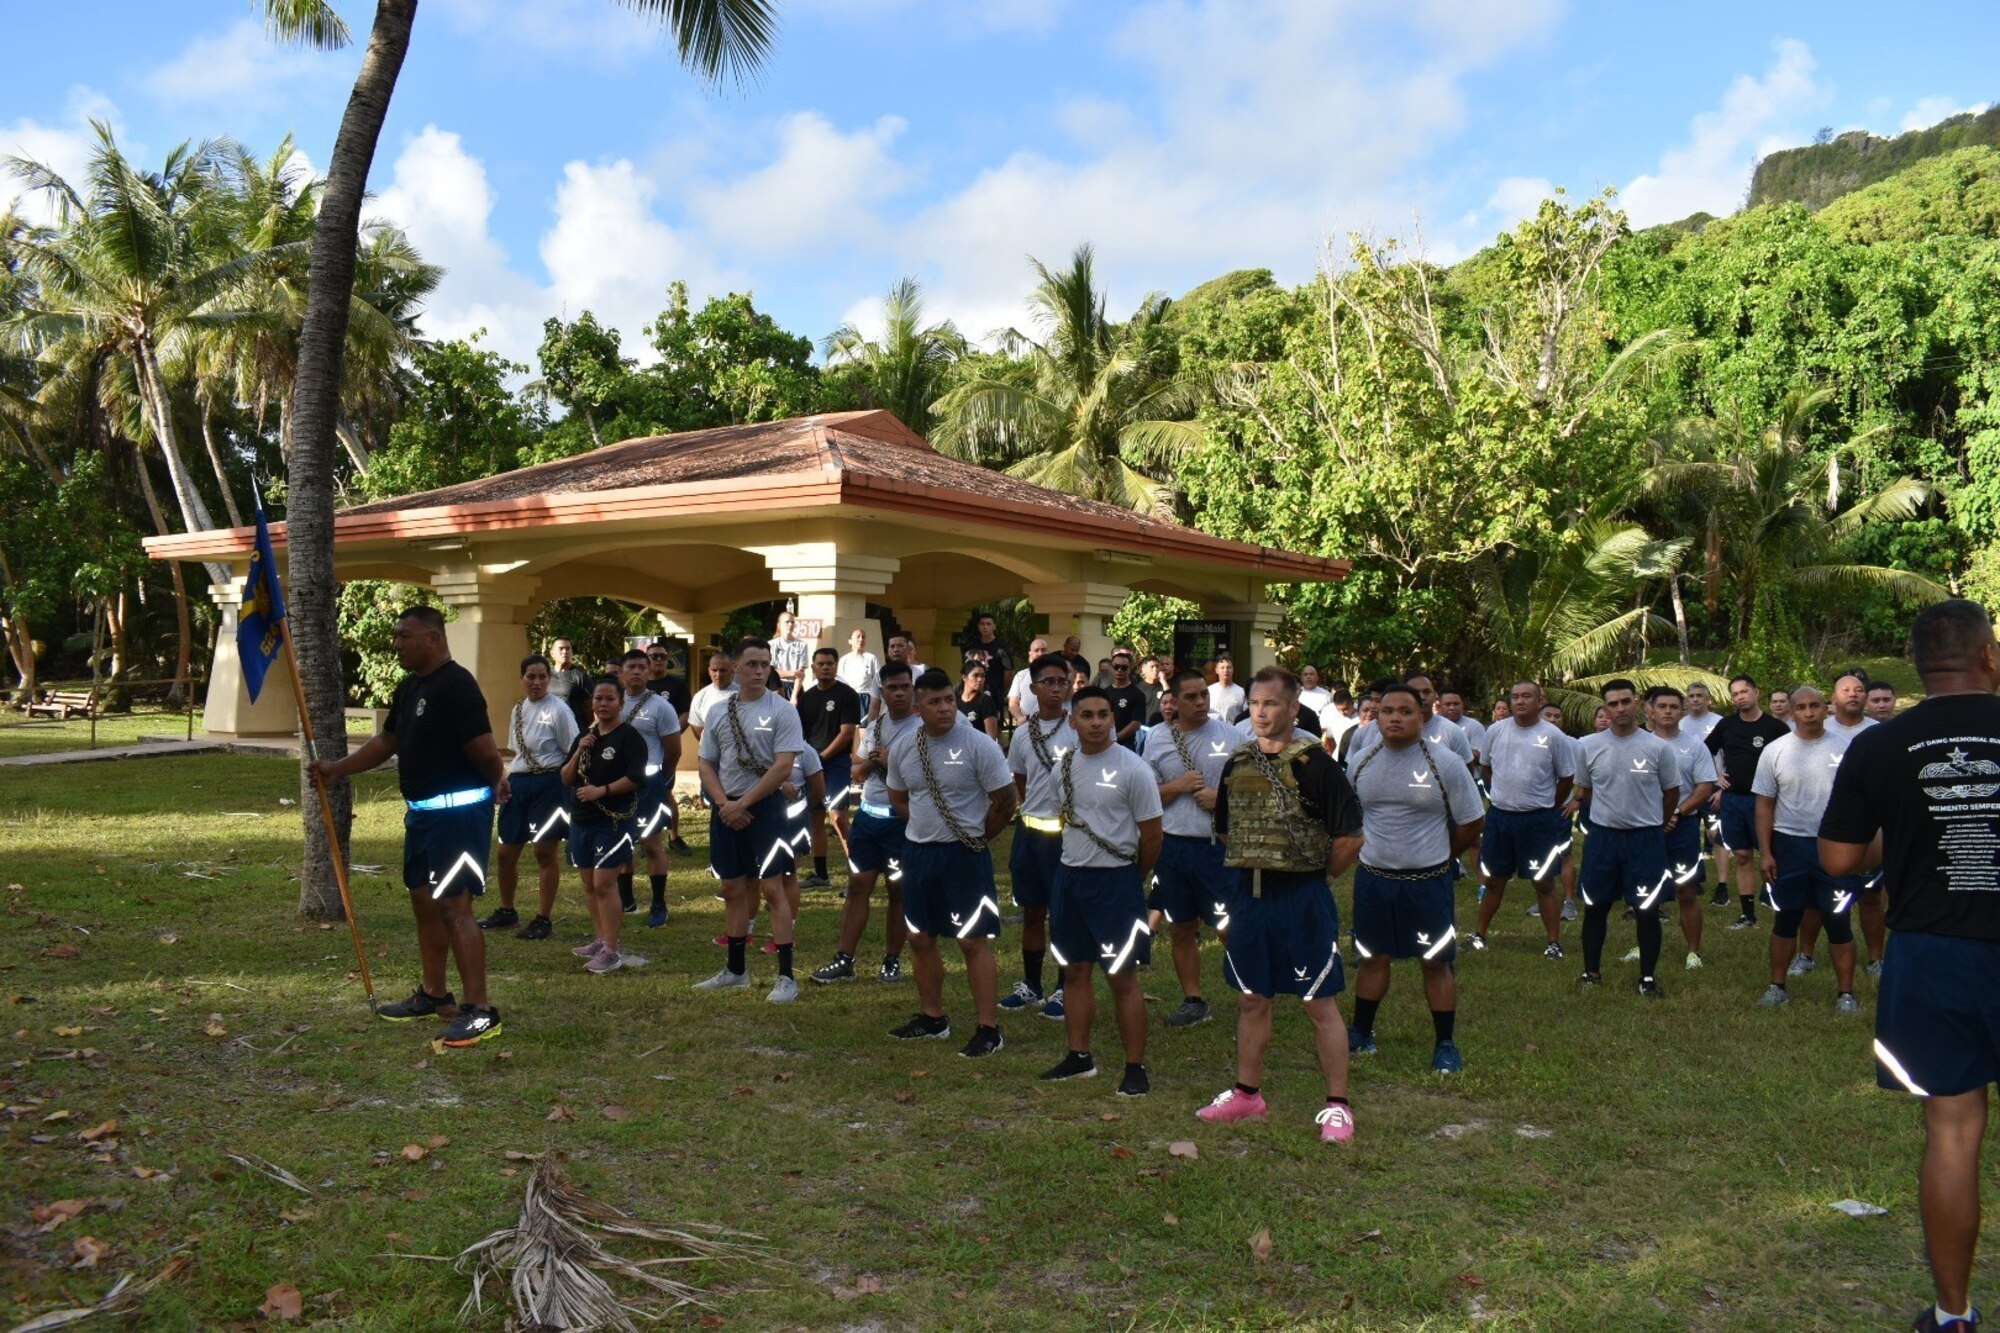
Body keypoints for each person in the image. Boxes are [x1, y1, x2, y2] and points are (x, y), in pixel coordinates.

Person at [1821, 600, 2000, 1333]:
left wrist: (1904, 835)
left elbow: (1837, 859)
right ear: (1989, 654)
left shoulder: (1881, 744)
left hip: (1934, 951)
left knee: (1953, 1131)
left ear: (1919, 667)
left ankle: (1953, 1315)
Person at [308, 607, 508, 1046]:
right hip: (422, 815)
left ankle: (480, 1010)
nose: (396, 643)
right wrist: (339, 769)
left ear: (433, 638)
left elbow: (483, 746)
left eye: (404, 636)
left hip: (458, 815)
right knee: (425, 903)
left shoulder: (457, 686)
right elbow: (388, 740)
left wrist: (498, 780)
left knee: (456, 908)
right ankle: (435, 995)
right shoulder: (410, 687)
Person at [1194, 666, 1365, 1144]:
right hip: (1249, 897)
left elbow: (1350, 837)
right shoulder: (1239, 760)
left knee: (1318, 1000)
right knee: (1252, 998)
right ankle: (1247, 1094)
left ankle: (1337, 1106)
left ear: (1294, 708)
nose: (1261, 712)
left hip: (1301, 898)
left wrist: (1312, 875)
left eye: (1271, 703)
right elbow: (1227, 829)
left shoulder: (1317, 765)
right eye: (1254, 704)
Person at [1344, 684, 1484, 1070]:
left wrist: (1440, 857)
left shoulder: (1445, 763)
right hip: (1374, 879)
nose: (1394, 718)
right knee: (1372, 958)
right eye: (1386, 711)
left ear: (1422, 717)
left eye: (1405, 711)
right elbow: (1352, 819)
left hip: (1428, 883)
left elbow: (1472, 821)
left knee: (1435, 962)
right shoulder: (1361, 762)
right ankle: (1361, 1032)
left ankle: (1444, 1044)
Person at [885, 668, 1019, 1057]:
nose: (944, 708)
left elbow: (1006, 800)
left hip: (964, 856)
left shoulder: (979, 745)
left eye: (949, 699)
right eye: (934, 702)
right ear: (917, 706)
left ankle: (988, 1028)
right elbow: (898, 795)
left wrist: (978, 838)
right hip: (919, 854)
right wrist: (921, 829)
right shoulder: (905, 747)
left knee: (971, 941)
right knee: (920, 937)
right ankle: (933, 1018)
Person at [1040, 686, 1165, 1094]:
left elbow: (1152, 836)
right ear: (1072, 721)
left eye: (1103, 715)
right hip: (1070, 878)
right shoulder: (1064, 767)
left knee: (1121, 976)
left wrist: (1133, 877)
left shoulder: (1134, 769)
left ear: (1113, 719)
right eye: (1087, 715)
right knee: (1075, 970)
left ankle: (1135, 1067)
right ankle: (1079, 1057)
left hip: (1115, 881)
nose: (1096, 722)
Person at [692, 638, 807, 1003]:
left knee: (773, 888)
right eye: (752, 664)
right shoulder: (718, 711)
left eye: (765, 664)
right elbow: (707, 762)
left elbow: (783, 766)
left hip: (766, 810)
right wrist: (725, 803)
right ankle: (736, 970)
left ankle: (786, 976)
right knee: (732, 888)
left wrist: (745, 804)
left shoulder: (782, 710)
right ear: (736, 668)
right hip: (726, 809)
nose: (760, 671)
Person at [1746, 685, 1862, 1012]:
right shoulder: (1775, 750)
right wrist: (1766, 852)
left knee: (1838, 919)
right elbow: (1764, 805)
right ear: (1792, 711)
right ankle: (1777, 986)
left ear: (1826, 709)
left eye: (1815, 706)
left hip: (1834, 845)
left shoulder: (1847, 749)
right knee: (1786, 918)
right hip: (1789, 844)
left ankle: (1846, 995)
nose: (1809, 713)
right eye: (1801, 707)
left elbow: (1861, 803)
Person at [1569, 679, 1679, 998]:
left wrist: (1654, 822)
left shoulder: (1658, 748)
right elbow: (1586, 790)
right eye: (1613, 704)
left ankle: (1647, 978)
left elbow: (1670, 792)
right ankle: (1591, 972)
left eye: (1625, 702)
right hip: (1603, 838)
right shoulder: (1587, 746)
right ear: (1604, 708)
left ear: (1638, 703)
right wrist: (1609, 815)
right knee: (1595, 906)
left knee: (1646, 909)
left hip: (1645, 839)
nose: (1619, 709)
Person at [1144, 668, 1241, 1028]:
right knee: (1181, 926)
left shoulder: (1232, 737)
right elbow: (1146, 796)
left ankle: (1254, 991)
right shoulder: (1156, 739)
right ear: (1174, 702)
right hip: (1173, 847)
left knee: (1229, 925)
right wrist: (1179, 786)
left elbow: (1254, 790)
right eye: (1192, 697)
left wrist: (1222, 800)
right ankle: (1194, 999)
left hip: (1216, 847)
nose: (1201, 702)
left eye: (1204, 695)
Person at [812, 660, 920, 985]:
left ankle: (892, 960)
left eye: (905, 687)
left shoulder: (921, 730)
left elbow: (919, 777)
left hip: (901, 821)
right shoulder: (875, 725)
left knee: (897, 891)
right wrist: (870, 765)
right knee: (858, 887)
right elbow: (857, 766)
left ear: (913, 690)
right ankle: (844, 960)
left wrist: (888, 763)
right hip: (869, 817)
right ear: (882, 692)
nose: (899, 693)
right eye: (892, 688)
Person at [1470, 679, 1576, 958]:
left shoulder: (1553, 736)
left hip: (1538, 821)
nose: (1519, 701)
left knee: (1544, 883)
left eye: (1526, 696)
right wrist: (1503, 795)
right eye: (1515, 696)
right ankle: (1479, 935)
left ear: (1539, 701)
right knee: (1493, 880)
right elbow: (1487, 767)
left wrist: (1549, 805)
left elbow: (1566, 776)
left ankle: (1553, 942)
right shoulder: (1495, 730)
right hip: (1501, 818)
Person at [1001, 653, 1079, 1018]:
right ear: (1033, 688)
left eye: (1061, 682)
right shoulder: (1021, 734)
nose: (1055, 688)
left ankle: (1065, 989)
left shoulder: (1079, 727)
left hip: (1067, 836)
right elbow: (1021, 781)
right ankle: (1032, 984)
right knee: (1032, 911)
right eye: (1047, 682)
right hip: (1031, 833)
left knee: (1064, 914)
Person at [1793, 671, 1884, 976]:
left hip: (1871, 828)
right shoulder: (1821, 729)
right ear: (1832, 699)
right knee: (1817, 900)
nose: (1853, 694)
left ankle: (1875, 959)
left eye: (1859, 689)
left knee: (1871, 896)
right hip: (1824, 829)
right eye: (1845, 690)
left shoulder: (1880, 733)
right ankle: (1805, 954)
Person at [483, 655, 579, 940]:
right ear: (521, 679)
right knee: (506, 851)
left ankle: (543, 917)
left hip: (549, 783)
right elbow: (517, 751)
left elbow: (572, 748)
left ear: (549, 678)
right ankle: (507, 910)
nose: (536, 682)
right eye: (530, 677)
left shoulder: (559, 710)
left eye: (541, 677)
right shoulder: (518, 710)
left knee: (544, 852)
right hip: (520, 783)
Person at [561, 677, 650, 973]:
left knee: (603, 882)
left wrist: (603, 790)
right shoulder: (585, 736)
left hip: (613, 820)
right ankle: (601, 939)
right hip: (581, 819)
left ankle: (612, 950)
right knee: (588, 882)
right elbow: (566, 777)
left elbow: (636, 777)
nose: (603, 704)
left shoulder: (630, 737)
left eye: (610, 699)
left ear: (621, 704)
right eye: (598, 698)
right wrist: (578, 750)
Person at [1706, 675, 1791, 930]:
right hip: (1733, 800)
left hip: (1764, 800)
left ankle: (1783, 911)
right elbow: (1703, 751)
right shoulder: (1726, 725)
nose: (1740, 697)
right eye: (1735, 694)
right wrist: (1715, 777)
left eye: (1744, 691)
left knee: (1772, 855)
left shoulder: (1775, 728)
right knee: (1742, 855)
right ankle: (1748, 915)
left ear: (1757, 692)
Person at [1645, 686, 1720, 970]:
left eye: (1673, 707)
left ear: (1682, 710)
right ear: (1649, 710)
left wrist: (1676, 812)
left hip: (1683, 826)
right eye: (1661, 706)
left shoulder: (1695, 746)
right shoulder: (1639, 743)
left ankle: (1693, 952)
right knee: (1646, 891)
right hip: (1647, 827)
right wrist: (1656, 817)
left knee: (1686, 890)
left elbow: (1704, 786)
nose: (1667, 711)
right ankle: (1644, 944)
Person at [615, 649, 683, 926]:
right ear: (621, 671)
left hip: (649, 783)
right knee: (621, 844)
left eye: (642, 667)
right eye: (631, 666)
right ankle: (625, 900)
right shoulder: (613, 702)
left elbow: (673, 751)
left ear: (649, 671)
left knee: (651, 843)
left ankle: (658, 903)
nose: (637, 672)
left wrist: (659, 778)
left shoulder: (660, 706)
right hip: (617, 786)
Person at [795, 647, 862, 890]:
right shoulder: (807, 698)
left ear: (836, 666)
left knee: (839, 817)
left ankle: (857, 874)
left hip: (836, 764)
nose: (825, 667)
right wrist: (808, 761)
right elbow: (800, 734)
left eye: (830, 663)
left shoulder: (848, 695)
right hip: (811, 766)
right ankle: (821, 876)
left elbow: (846, 734)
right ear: (813, 667)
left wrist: (820, 757)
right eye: (821, 663)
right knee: (814, 818)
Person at [1103, 651, 1151, 751]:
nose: (1119, 670)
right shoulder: (1104, 693)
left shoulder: (1137, 694)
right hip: (1103, 742)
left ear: (1129, 669)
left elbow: (1136, 723)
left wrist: (1115, 738)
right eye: (1116, 666)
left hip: (1126, 745)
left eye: (1123, 667)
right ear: (1111, 668)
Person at [686, 651, 736, 744]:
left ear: (732, 670)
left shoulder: (744, 694)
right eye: (714, 670)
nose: (718, 675)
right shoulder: (700, 696)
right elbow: (697, 728)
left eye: (723, 670)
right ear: (709, 670)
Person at [546, 637, 594, 729]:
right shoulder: (545, 676)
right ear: (552, 653)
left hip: (575, 730)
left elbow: (591, 708)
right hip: (550, 729)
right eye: (561, 648)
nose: (565, 652)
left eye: (568, 648)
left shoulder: (580, 676)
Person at [1006, 637, 1051, 725]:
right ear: (1030, 654)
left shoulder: (1056, 675)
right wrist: (1020, 718)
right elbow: (1013, 702)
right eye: (1036, 650)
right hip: (1027, 724)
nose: (1040, 653)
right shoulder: (1021, 676)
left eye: (1043, 650)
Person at [769, 610, 811, 702]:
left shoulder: (802, 645)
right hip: (776, 685)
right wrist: (792, 673)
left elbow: (800, 674)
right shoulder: (771, 644)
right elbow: (771, 672)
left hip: (795, 686)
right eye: (787, 622)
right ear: (779, 624)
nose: (790, 624)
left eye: (792, 622)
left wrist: (794, 697)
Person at [644, 642, 692, 721]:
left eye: (663, 656)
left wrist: (674, 732)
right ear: (646, 660)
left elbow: (686, 713)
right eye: (654, 656)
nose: (659, 659)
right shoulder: (639, 685)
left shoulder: (679, 686)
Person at [956, 660, 1002, 740]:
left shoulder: (986, 701)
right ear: (964, 677)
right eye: (975, 675)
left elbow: (991, 738)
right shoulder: (954, 701)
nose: (980, 679)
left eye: (983, 676)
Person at [837, 628, 881, 707]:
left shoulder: (871, 658)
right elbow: (840, 680)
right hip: (849, 697)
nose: (861, 639)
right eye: (858, 636)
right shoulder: (844, 660)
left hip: (866, 697)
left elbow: (878, 678)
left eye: (863, 637)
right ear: (850, 641)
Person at [1207, 656, 1246, 723]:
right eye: (1222, 668)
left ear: (1233, 670)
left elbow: (1245, 715)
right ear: (1216, 670)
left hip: (1233, 731)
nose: (1226, 670)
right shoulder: (1209, 691)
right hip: (1213, 730)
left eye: (1228, 667)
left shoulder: (1241, 692)